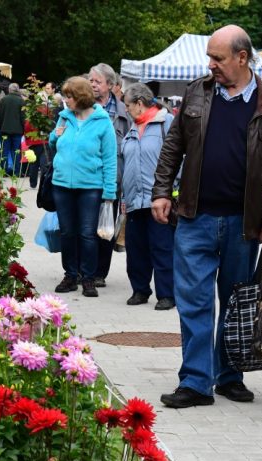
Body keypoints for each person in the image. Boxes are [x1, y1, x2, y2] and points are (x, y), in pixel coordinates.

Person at [151, 25, 262, 408]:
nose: (210, 64)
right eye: (210, 57)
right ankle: (196, 382)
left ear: (242, 58)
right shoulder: (198, 91)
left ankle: (229, 375)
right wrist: (162, 191)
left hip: (245, 225)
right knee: (194, 301)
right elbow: (173, 145)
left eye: (218, 58)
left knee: (235, 303)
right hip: (195, 217)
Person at [49, 76, 117, 298]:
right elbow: (54, 142)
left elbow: (109, 159)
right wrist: (54, 136)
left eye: (69, 96)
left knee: (87, 234)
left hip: (90, 187)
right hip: (62, 185)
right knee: (67, 232)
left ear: (80, 97)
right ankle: (70, 275)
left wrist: (109, 192)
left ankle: (88, 278)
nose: (65, 100)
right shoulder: (64, 118)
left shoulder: (102, 121)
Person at [120, 83, 176, 310]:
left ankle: (167, 294)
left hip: (159, 199)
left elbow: (178, 158)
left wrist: (174, 190)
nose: (126, 110)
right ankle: (140, 290)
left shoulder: (166, 123)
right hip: (134, 200)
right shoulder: (132, 129)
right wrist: (124, 197)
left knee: (162, 247)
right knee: (136, 249)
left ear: (140, 104)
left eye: (128, 105)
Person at [89, 63, 130, 288]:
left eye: (97, 81)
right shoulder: (83, 106)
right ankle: (83, 269)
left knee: (105, 227)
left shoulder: (124, 112)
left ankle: (99, 273)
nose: (93, 85)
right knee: (85, 226)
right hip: (87, 177)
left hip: (113, 178)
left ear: (110, 85)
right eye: (91, 80)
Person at [0, 83, 26, 175]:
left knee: (4, 151)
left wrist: (1, 127)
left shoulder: (3, 100)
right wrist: (23, 128)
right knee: (16, 151)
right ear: (17, 90)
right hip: (17, 131)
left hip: (5, 129)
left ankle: (3, 171)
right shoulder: (21, 101)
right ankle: (17, 171)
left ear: (9, 90)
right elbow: (23, 117)